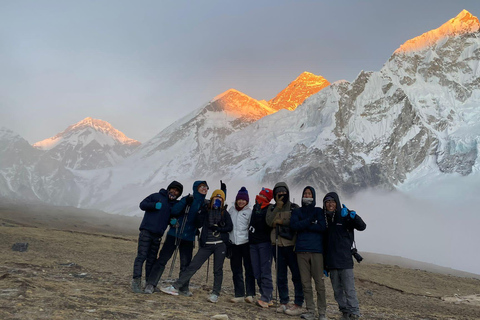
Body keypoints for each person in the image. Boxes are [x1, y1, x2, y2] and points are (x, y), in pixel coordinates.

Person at [161, 189, 233, 303]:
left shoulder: (225, 213)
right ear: (212, 198)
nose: (217, 200)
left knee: (218, 270)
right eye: (216, 198)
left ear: (223, 201)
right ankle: (176, 287)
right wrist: (203, 211)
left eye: (220, 199)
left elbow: (230, 227)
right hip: (206, 244)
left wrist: (219, 228)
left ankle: (215, 293)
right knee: (193, 265)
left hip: (220, 245)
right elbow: (198, 224)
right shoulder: (206, 210)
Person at [144, 180, 209, 295]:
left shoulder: (204, 204)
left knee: (186, 263)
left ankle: (183, 287)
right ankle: (151, 284)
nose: (204, 188)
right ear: (196, 188)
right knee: (162, 259)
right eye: (202, 186)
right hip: (175, 233)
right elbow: (174, 210)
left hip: (189, 237)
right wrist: (185, 203)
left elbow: (200, 223)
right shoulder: (187, 199)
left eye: (206, 187)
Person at [131, 180, 183, 293]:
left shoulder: (173, 205)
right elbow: (142, 205)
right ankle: (136, 282)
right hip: (146, 231)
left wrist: (171, 221)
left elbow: (166, 218)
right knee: (141, 256)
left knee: (151, 260)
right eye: (173, 189)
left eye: (177, 191)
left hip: (158, 235)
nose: (174, 192)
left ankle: (148, 283)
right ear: (169, 189)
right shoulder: (156, 196)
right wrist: (154, 205)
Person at [323, 192, 366, 320]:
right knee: (337, 291)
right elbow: (324, 244)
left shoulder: (345, 216)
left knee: (349, 289)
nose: (330, 204)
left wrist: (353, 216)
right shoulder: (324, 220)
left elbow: (362, 227)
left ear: (337, 202)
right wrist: (325, 265)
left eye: (332, 201)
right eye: (327, 202)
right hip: (332, 262)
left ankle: (355, 312)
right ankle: (345, 312)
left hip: (345, 260)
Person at [266, 182, 305, 316]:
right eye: (278, 193)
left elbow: (297, 222)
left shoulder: (294, 207)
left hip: (291, 245)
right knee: (281, 275)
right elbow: (269, 222)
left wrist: (281, 222)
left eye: (283, 193)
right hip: (277, 245)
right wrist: (278, 208)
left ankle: (298, 302)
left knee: (296, 275)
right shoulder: (272, 208)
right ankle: (284, 301)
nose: (281, 195)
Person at [290, 186, 328, 320]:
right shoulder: (298, 211)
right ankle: (311, 311)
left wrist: (304, 225)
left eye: (309, 193)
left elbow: (322, 227)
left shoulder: (318, 211)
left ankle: (322, 312)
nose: (307, 195)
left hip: (316, 251)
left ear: (314, 196)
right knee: (305, 283)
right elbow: (294, 226)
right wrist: (310, 222)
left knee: (319, 283)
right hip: (301, 251)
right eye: (305, 193)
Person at [228, 187, 255, 303]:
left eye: (243, 200)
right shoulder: (231, 210)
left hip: (246, 243)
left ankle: (250, 294)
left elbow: (251, 227)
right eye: (239, 199)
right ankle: (239, 294)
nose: (241, 202)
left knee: (249, 268)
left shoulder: (249, 212)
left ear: (247, 201)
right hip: (233, 243)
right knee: (236, 269)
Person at [249, 187, 274, 309]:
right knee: (256, 271)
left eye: (263, 196)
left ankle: (266, 295)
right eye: (260, 195)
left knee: (265, 270)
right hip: (253, 243)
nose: (260, 197)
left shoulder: (270, 208)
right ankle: (266, 295)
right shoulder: (255, 207)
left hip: (264, 243)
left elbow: (268, 224)